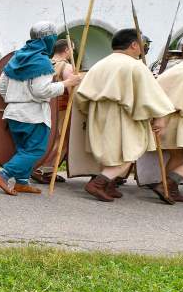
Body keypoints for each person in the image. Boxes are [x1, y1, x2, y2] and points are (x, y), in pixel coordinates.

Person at [73, 28, 174, 202]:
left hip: (98, 113)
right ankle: (98, 183)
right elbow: (151, 96)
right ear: (134, 45)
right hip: (123, 115)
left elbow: (81, 95)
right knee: (129, 154)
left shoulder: (100, 64)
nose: (143, 47)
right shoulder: (135, 65)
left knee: (111, 152)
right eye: (141, 44)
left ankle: (109, 184)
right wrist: (160, 117)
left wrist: (89, 112)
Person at [0, 22, 82, 195]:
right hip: (33, 115)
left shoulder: (17, 58)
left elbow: (1, 85)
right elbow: (42, 91)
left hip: (13, 113)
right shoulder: (41, 61)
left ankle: (22, 182)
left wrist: (15, 98)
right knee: (35, 150)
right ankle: (4, 175)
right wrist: (67, 83)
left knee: (23, 149)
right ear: (49, 39)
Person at [147, 37, 183, 202]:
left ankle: (170, 189)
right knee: (179, 156)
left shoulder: (173, 70)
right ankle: (167, 185)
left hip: (166, 118)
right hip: (182, 119)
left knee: (177, 156)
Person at [31, 37, 76, 183]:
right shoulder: (67, 67)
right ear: (66, 49)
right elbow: (72, 92)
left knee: (47, 138)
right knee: (60, 140)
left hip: (44, 107)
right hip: (61, 110)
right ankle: (44, 169)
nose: (73, 52)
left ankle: (43, 168)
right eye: (72, 49)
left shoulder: (45, 63)